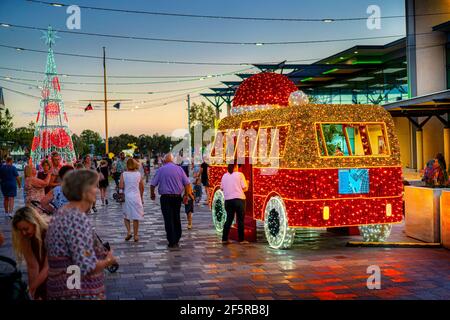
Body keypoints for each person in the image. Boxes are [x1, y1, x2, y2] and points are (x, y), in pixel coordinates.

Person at [46, 169, 117, 300]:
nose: (96, 190)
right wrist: (109, 260)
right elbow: (86, 266)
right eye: (94, 186)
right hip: (77, 292)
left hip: (63, 289)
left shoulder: (62, 213)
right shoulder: (76, 219)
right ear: (84, 191)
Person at [150, 153, 194, 248]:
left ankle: (171, 240)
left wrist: (152, 194)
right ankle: (177, 238)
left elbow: (153, 184)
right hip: (177, 197)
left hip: (165, 198)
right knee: (176, 217)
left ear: (165, 160)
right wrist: (186, 195)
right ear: (173, 160)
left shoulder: (161, 170)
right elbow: (187, 184)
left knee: (168, 219)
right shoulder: (179, 169)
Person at [11, 207, 48, 300]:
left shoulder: (50, 232)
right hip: (44, 271)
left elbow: (48, 267)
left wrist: (30, 288)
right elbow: (32, 266)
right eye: (20, 230)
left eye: (26, 229)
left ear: (35, 222)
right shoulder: (25, 237)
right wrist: (33, 292)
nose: (23, 233)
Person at [220, 162, 248, 245]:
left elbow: (221, 188)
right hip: (239, 200)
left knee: (229, 219)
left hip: (228, 201)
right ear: (235, 167)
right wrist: (247, 184)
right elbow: (245, 188)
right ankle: (241, 239)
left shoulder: (224, 176)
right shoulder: (240, 175)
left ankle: (224, 239)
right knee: (240, 220)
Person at [119, 159, 144, 242]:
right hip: (136, 197)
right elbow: (142, 187)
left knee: (126, 216)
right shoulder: (138, 174)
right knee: (136, 216)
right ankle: (136, 235)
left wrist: (120, 195)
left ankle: (129, 232)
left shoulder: (124, 174)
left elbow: (121, 186)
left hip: (127, 197)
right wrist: (141, 196)